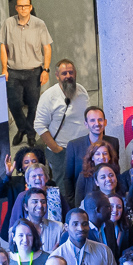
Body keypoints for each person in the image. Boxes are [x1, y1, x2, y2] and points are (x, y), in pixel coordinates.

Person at [0, 0, 52, 145]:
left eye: (26, 6)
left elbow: (47, 48)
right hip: (13, 71)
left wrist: (46, 70)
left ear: (30, 7)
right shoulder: (8, 24)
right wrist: (4, 68)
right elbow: (3, 46)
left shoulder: (39, 24)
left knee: (33, 104)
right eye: (20, 6)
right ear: (16, 8)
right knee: (14, 103)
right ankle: (24, 128)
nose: (23, 9)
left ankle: (29, 134)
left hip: (33, 71)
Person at [33, 60, 88, 189]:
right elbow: (39, 126)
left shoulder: (82, 91)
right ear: (57, 76)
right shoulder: (48, 97)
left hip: (83, 149)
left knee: (83, 185)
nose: (68, 76)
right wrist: (57, 149)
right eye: (64, 73)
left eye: (71, 72)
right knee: (65, 189)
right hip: (62, 151)